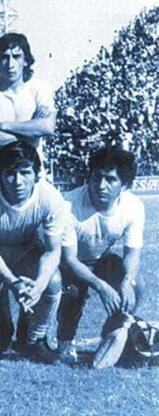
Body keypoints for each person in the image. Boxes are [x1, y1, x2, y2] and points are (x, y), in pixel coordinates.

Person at [0, 141, 65, 369]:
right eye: (10, 173)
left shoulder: (50, 197)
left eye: (25, 172)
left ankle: (34, 340)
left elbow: (53, 250)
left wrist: (39, 284)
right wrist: (13, 283)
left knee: (53, 281)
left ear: (37, 174)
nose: (18, 181)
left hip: (25, 247)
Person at [57, 146, 145, 364]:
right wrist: (102, 286)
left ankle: (115, 331)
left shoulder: (133, 207)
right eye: (97, 177)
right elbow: (69, 259)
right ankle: (64, 341)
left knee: (136, 285)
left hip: (101, 260)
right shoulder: (68, 205)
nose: (101, 185)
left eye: (110, 179)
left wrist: (127, 281)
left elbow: (132, 252)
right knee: (74, 291)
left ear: (124, 185)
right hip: (68, 263)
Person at [0, 32, 56, 179]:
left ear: (26, 60)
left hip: (31, 169)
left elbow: (47, 127)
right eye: (4, 57)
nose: (10, 64)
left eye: (16, 57)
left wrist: (3, 126)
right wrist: (31, 136)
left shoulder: (40, 88)